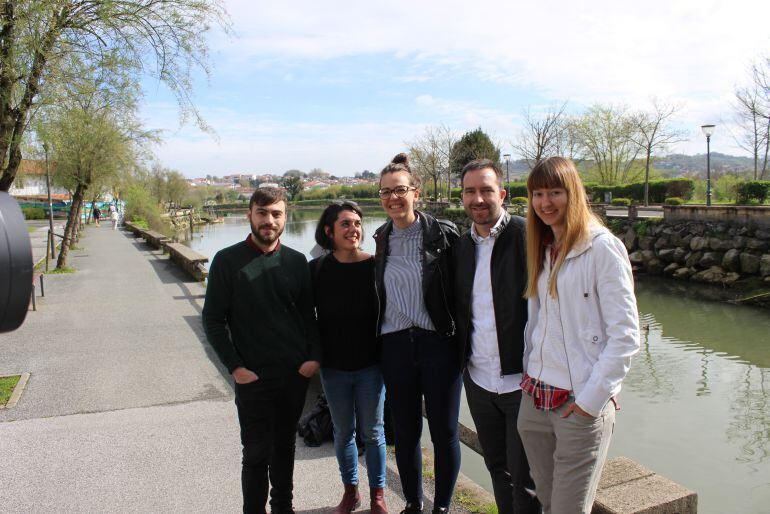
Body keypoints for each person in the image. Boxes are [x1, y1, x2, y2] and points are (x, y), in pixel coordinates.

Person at [516, 157, 640, 514]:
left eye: (555, 192)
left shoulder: (601, 248)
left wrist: (590, 402)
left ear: (574, 193)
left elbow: (626, 337)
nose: (545, 202)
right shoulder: (543, 247)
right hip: (536, 397)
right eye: (537, 193)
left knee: (570, 509)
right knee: (549, 502)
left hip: (578, 403)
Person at [202, 187, 321, 514]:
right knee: (255, 453)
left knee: (284, 449)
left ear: (286, 216)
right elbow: (212, 320)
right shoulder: (227, 261)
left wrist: (313, 358)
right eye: (263, 213)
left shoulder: (297, 263)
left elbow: (311, 317)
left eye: (276, 214)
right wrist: (236, 368)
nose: (269, 221)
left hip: (293, 376)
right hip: (252, 378)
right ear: (250, 215)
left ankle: (283, 508)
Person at [374, 153, 461, 514]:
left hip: (437, 344)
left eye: (400, 190)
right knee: (406, 432)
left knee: (444, 432)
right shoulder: (379, 238)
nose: (393, 198)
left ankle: (442, 505)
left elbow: (462, 292)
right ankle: (413, 502)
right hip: (394, 346)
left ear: (416, 192)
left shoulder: (444, 235)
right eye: (385, 192)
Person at [452, 159, 540, 514]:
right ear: (462, 198)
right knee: (497, 469)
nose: (478, 199)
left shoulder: (528, 236)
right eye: (470, 191)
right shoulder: (460, 248)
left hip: (523, 382)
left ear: (502, 194)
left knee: (527, 479)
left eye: (486, 190)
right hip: (479, 381)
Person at [309, 201, 388, 514]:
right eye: (345, 224)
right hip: (333, 367)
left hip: (371, 366)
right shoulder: (315, 270)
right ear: (329, 231)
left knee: (373, 432)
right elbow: (305, 317)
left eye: (357, 223)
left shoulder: (375, 266)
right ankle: (350, 491)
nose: (353, 229)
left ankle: (378, 496)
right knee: (344, 433)